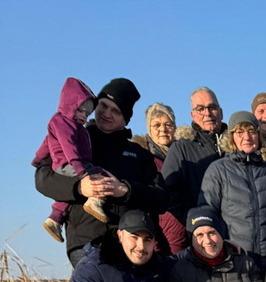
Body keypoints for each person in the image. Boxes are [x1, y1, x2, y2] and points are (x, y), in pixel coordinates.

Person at [35, 78, 164, 268]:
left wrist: (125, 191)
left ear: (125, 118)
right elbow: (42, 178)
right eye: (103, 106)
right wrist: (79, 187)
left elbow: (161, 199)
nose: (106, 114)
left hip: (129, 245)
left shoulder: (139, 155)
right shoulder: (70, 136)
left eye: (116, 111)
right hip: (85, 241)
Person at [198, 111, 266, 266]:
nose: (247, 137)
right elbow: (207, 214)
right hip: (234, 259)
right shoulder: (219, 170)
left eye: (251, 131)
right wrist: (223, 246)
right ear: (232, 137)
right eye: (240, 132)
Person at [37, 77, 106, 241]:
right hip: (68, 163)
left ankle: (54, 219)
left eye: (87, 114)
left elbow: (47, 142)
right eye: (81, 111)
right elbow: (69, 147)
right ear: (71, 107)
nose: (84, 117)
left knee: (69, 191)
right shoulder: (64, 123)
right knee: (99, 175)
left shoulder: (74, 127)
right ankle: (94, 201)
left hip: (72, 163)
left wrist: (37, 157)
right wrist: (79, 167)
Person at [162, 87, 226, 229]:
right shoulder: (182, 148)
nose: (207, 113)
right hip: (202, 233)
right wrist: (194, 221)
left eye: (212, 107)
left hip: (237, 233)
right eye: (200, 109)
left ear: (221, 112)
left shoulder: (236, 145)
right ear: (193, 115)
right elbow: (168, 192)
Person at [131, 102, 185, 254]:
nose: (163, 129)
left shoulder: (183, 153)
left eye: (168, 124)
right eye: (157, 125)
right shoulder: (141, 156)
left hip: (181, 227)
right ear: (149, 128)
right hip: (153, 229)